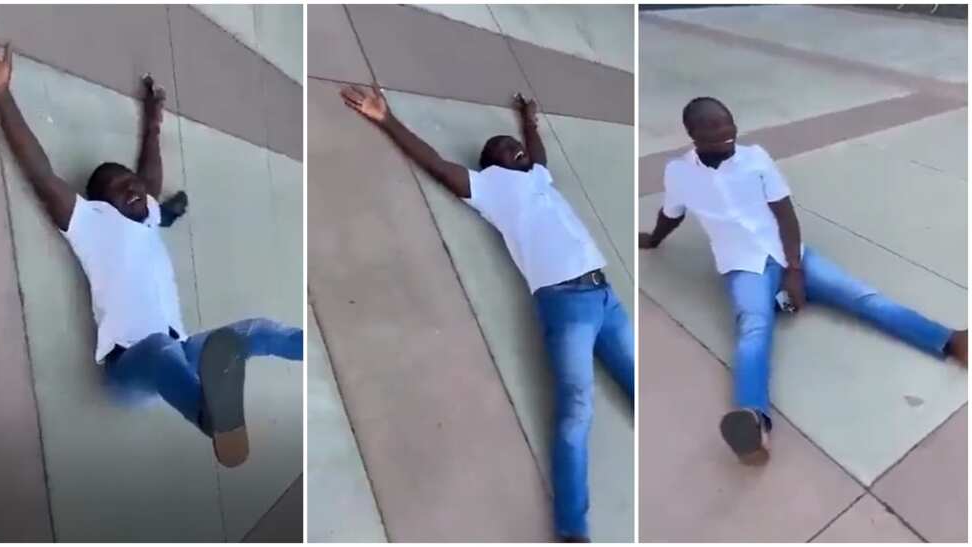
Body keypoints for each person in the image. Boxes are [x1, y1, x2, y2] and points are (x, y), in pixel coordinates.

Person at [0, 28, 303, 468]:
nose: (133, 189)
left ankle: (304, 346)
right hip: (131, 365)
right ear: (99, 202)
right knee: (161, 352)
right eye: (119, 188)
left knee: (253, 331)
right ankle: (211, 416)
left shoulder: (145, 210)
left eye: (133, 184)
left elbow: (149, 169)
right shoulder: (89, 222)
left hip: (178, 351)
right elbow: (40, 172)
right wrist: (1, 96)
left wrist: (153, 118)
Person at [341, 84, 634, 542]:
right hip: (565, 303)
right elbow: (435, 163)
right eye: (501, 148)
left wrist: (528, 121)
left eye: (513, 145)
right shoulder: (488, 189)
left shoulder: (538, 175)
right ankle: (573, 531)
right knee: (576, 410)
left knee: (638, 381)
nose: (512, 148)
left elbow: (535, 150)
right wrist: (387, 119)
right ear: (489, 165)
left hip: (606, 295)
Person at [639, 96, 968, 465]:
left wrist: (794, 272)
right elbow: (672, 213)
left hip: (789, 254)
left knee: (861, 296)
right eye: (714, 128)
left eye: (729, 124)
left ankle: (950, 340)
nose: (727, 133)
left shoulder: (756, 159)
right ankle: (753, 421)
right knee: (752, 329)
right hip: (742, 267)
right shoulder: (678, 173)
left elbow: (786, 216)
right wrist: (653, 238)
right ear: (692, 133)